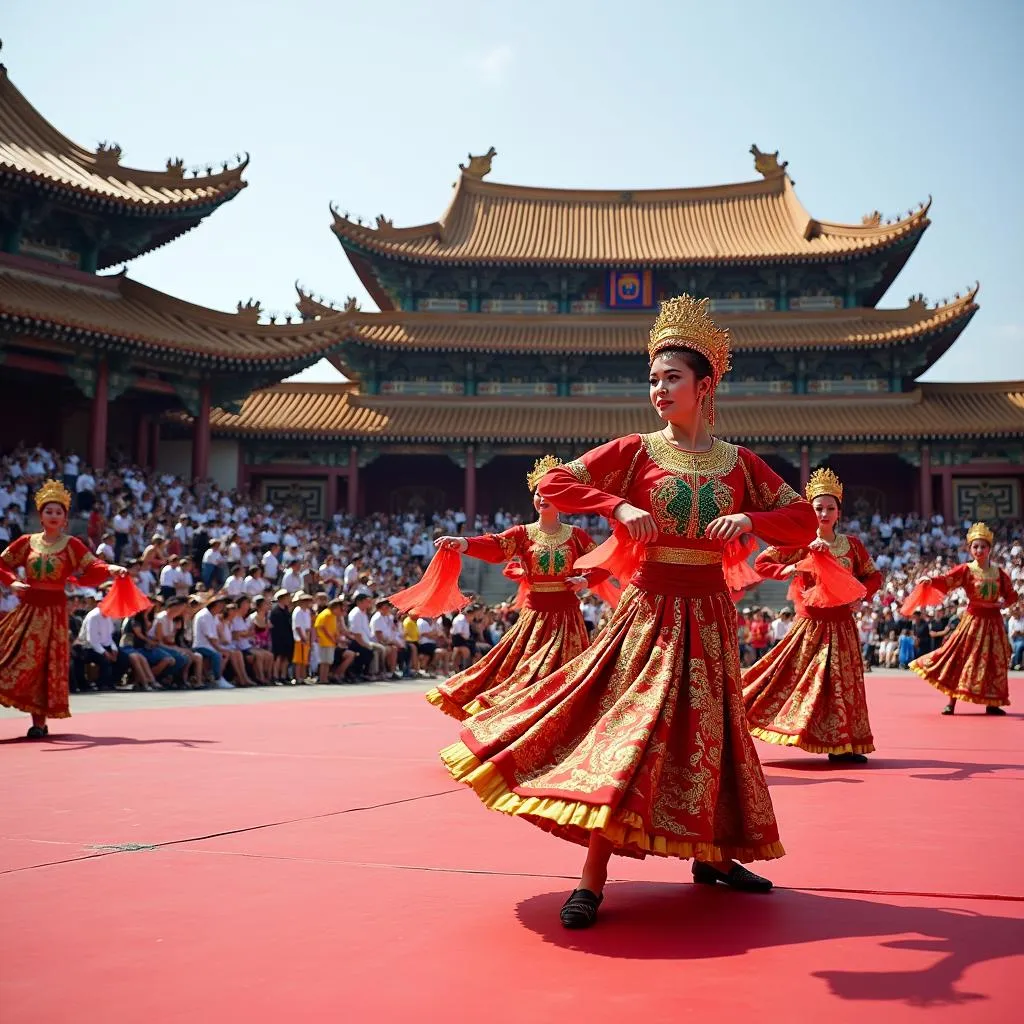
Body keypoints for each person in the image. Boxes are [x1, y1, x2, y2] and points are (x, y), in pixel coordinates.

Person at [439, 295, 817, 928]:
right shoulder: (637, 451)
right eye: (653, 378)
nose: (659, 389)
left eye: (672, 378)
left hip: (713, 614)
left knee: (713, 734)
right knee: (629, 733)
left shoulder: (740, 463)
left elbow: (802, 518)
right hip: (650, 614)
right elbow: (554, 483)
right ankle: (591, 877)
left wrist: (751, 517)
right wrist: (616, 508)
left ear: (705, 385)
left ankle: (716, 856)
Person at [426, 455, 606, 720]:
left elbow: (604, 562)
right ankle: (518, 725)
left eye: (550, 493)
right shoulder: (522, 533)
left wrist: (585, 580)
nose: (542, 498)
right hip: (535, 618)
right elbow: (496, 545)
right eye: (538, 493)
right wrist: (463, 542)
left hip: (568, 618)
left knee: (566, 675)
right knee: (522, 673)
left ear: (563, 499)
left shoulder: (577, 535)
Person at [741, 468, 882, 764]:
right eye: (818, 508)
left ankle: (843, 744)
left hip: (843, 624)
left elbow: (873, 576)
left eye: (830, 508)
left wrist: (860, 595)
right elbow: (764, 562)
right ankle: (742, 712)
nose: (824, 513)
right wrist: (794, 567)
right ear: (811, 511)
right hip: (810, 625)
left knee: (843, 685)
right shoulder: (800, 542)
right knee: (793, 678)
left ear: (839, 512)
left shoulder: (852, 545)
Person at [0, 479, 126, 737]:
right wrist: (12, 582)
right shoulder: (26, 542)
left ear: (65, 518)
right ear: (41, 516)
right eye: (49, 511)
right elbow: (2, 564)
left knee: (44, 665)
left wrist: (111, 569)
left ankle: (39, 723)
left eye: (58, 512)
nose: (54, 516)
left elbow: (93, 566)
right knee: (9, 656)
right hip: (27, 610)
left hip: (54, 613)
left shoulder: (72, 545)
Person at [909, 522, 1017, 715]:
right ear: (970, 549)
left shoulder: (999, 572)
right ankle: (951, 701)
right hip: (973, 622)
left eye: (983, 546)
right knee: (960, 657)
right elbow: (947, 580)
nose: (979, 550)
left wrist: (1003, 604)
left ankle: (992, 702)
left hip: (994, 624)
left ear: (990, 549)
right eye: (975, 546)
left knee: (994, 661)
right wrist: (931, 580)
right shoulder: (966, 570)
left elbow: (1011, 595)